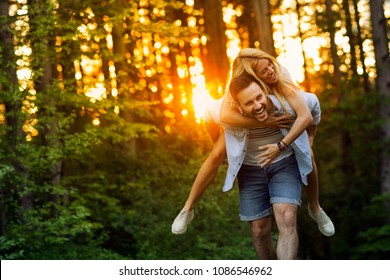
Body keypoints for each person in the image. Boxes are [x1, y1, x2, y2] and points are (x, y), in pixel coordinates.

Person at [172, 48, 334, 237]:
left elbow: (311, 111)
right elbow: (220, 115)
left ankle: (315, 207)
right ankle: (187, 208)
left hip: (285, 136)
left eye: (269, 65)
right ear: (253, 78)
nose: (270, 71)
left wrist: (310, 137)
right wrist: (219, 137)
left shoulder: (281, 80)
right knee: (216, 155)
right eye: (264, 71)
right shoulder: (237, 93)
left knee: (309, 154)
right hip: (240, 128)